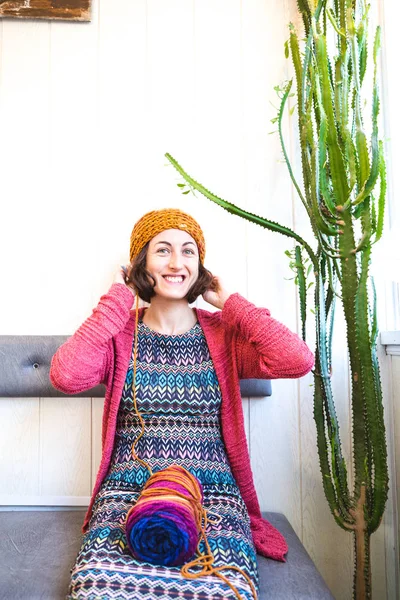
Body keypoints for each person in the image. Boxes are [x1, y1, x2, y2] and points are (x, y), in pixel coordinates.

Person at [50, 208, 314, 600]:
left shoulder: (224, 334)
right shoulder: (120, 334)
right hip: (129, 485)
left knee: (224, 589)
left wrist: (230, 302)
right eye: (163, 251)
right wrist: (119, 298)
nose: (177, 262)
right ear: (141, 263)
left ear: (200, 267)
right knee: (96, 586)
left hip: (212, 489)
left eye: (189, 251)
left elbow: (297, 360)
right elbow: (66, 376)